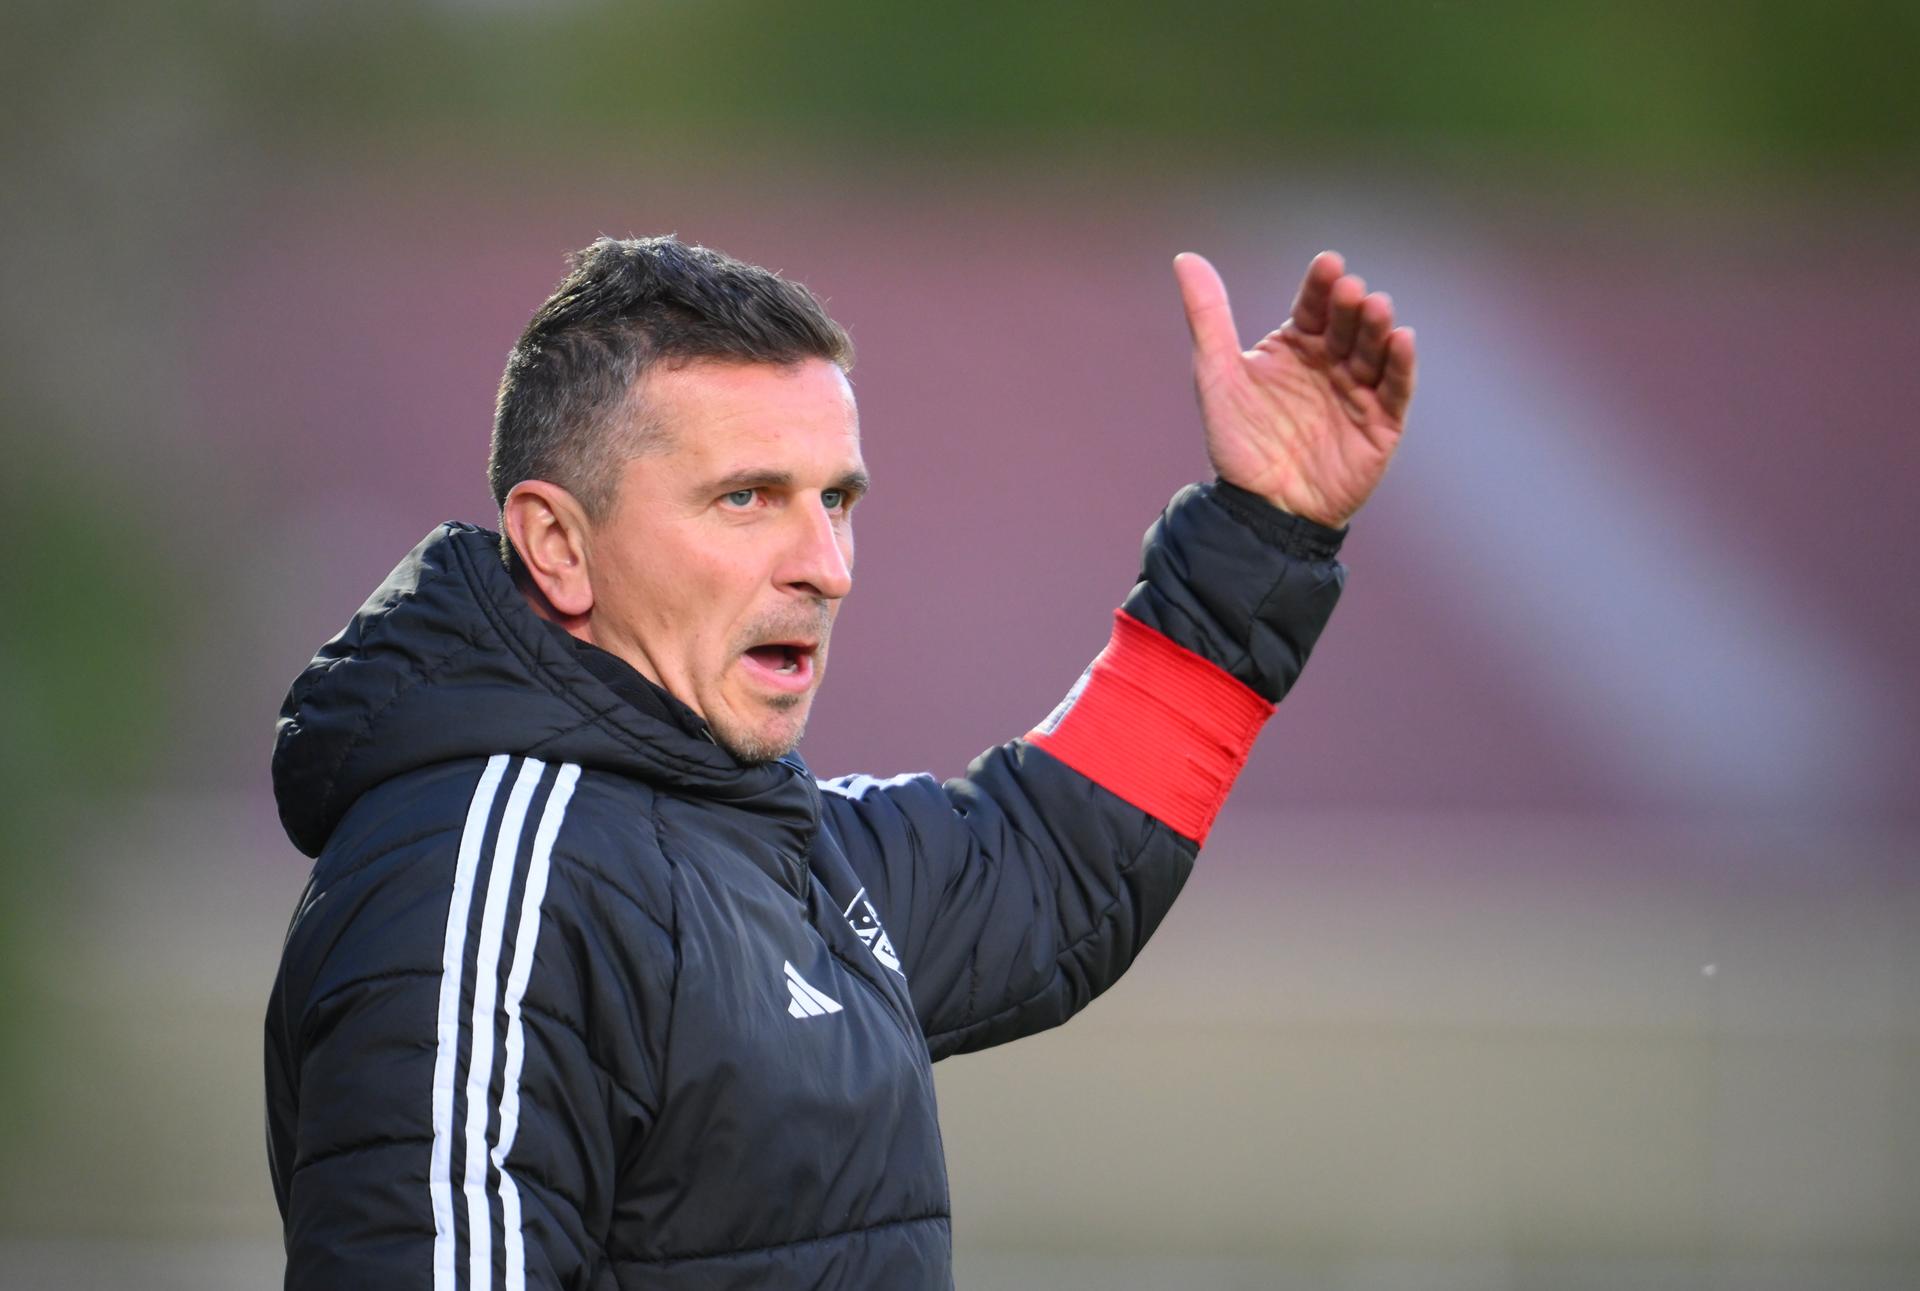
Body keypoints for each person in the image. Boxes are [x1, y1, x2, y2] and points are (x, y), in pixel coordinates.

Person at [265, 235, 1415, 1290]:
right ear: (559, 544)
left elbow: (1047, 870)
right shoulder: (482, 878)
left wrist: (1263, 529)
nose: (826, 565)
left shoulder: (759, 834)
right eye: (748, 497)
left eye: (837, 500)